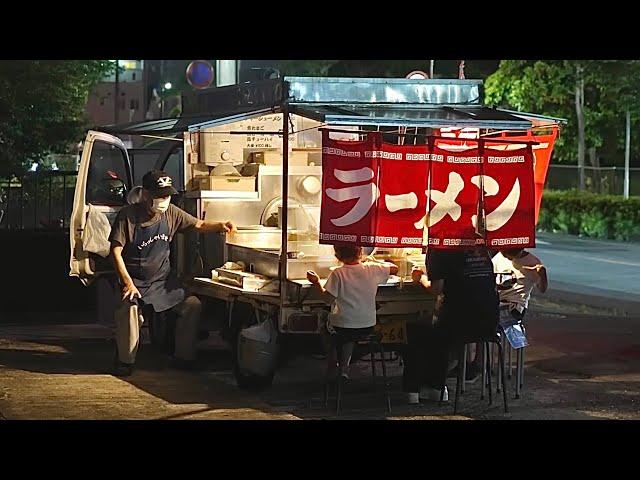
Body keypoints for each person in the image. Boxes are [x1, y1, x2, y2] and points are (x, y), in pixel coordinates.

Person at [108, 170, 236, 376]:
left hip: (162, 282)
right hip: (135, 282)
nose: (163, 200)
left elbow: (199, 224)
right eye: (159, 196)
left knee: (192, 305)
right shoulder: (128, 216)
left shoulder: (172, 213)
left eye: (167, 196)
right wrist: (127, 283)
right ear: (145, 194)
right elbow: (115, 251)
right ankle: (125, 360)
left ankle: (183, 357)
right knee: (130, 310)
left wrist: (220, 225)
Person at [404, 247, 499, 404]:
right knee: (437, 331)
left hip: (458, 323)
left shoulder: (439, 248)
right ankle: (436, 386)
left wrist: (420, 277)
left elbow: (436, 289)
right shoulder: (479, 245)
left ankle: (419, 390)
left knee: (414, 330)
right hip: (489, 323)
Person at [306, 245, 398, 380]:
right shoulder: (372, 269)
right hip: (367, 327)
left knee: (325, 320)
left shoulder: (338, 273)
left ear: (337, 256)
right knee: (349, 331)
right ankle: (344, 367)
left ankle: (333, 362)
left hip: (342, 327)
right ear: (360, 252)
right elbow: (395, 269)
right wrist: (374, 261)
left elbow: (328, 300)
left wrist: (316, 282)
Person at [492, 248, 548, 321]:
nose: (507, 257)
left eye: (510, 254)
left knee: (505, 322)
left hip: (516, 304)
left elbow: (542, 289)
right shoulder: (498, 257)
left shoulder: (532, 262)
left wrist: (542, 274)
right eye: (504, 253)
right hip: (497, 300)